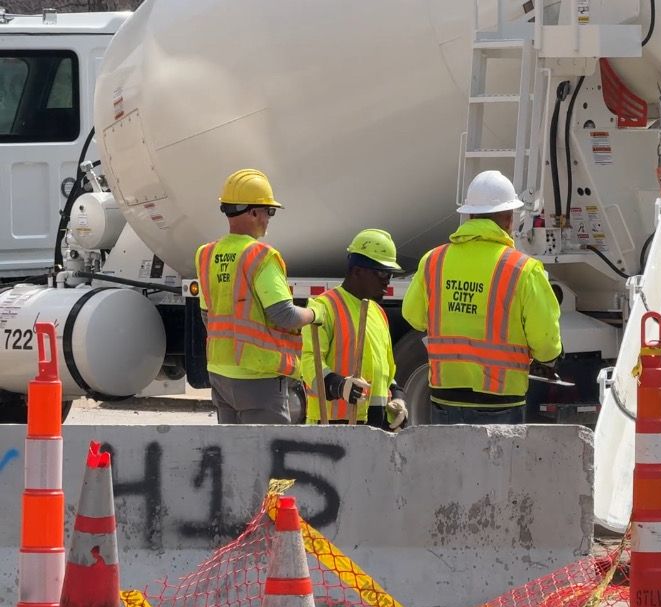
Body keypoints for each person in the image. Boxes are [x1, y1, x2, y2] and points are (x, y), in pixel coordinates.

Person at [402, 170, 562, 424]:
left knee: (450, 464)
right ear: (509, 219)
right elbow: (545, 341)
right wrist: (547, 359)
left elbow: (413, 317)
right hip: (500, 399)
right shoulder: (523, 269)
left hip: (445, 396)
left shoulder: (434, 260)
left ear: (471, 215)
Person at [195, 168, 319, 424]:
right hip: (258, 375)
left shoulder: (206, 254)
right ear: (253, 212)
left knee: (234, 453)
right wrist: (314, 313)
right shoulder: (260, 256)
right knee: (269, 454)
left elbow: (208, 315)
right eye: (268, 211)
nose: (269, 218)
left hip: (220, 372)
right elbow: (284, 315)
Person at [301, 229, 408, 430]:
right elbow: (308, 361)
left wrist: (398, 396)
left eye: (391, 274)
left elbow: (385, 370)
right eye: (382, 272)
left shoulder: (377, 312)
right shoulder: (324, 307)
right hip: (335, 425)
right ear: (358, 271)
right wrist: (338, 385)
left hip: (375, 424)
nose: (388, 280)